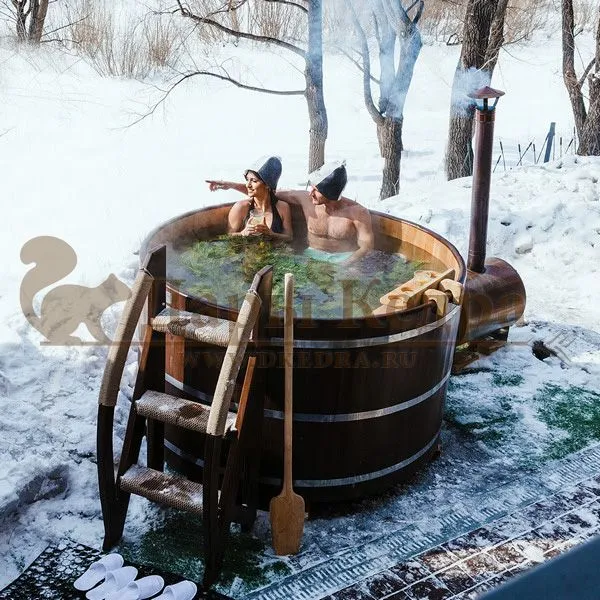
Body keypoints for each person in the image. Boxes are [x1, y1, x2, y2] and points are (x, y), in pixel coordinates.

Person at [277, 161, 374, 265]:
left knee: (355, 272)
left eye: (316, 190)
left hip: (344, 258)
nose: (310, 193)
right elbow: (277, 193)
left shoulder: (357, 213)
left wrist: (346, 264)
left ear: (330, 192)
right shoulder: (306, 200)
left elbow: (366, 247)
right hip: (312, 256)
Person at [206, 156, 293, 242]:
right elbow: (228, 236)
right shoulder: (241, 207)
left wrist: (271, 234)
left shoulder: (282, 207)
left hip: (273, 251)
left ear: (267, 185)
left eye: (254, 181)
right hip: (247, 250)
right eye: (247, 180)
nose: (248, 185)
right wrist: (243, 234)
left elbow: (289, 237)